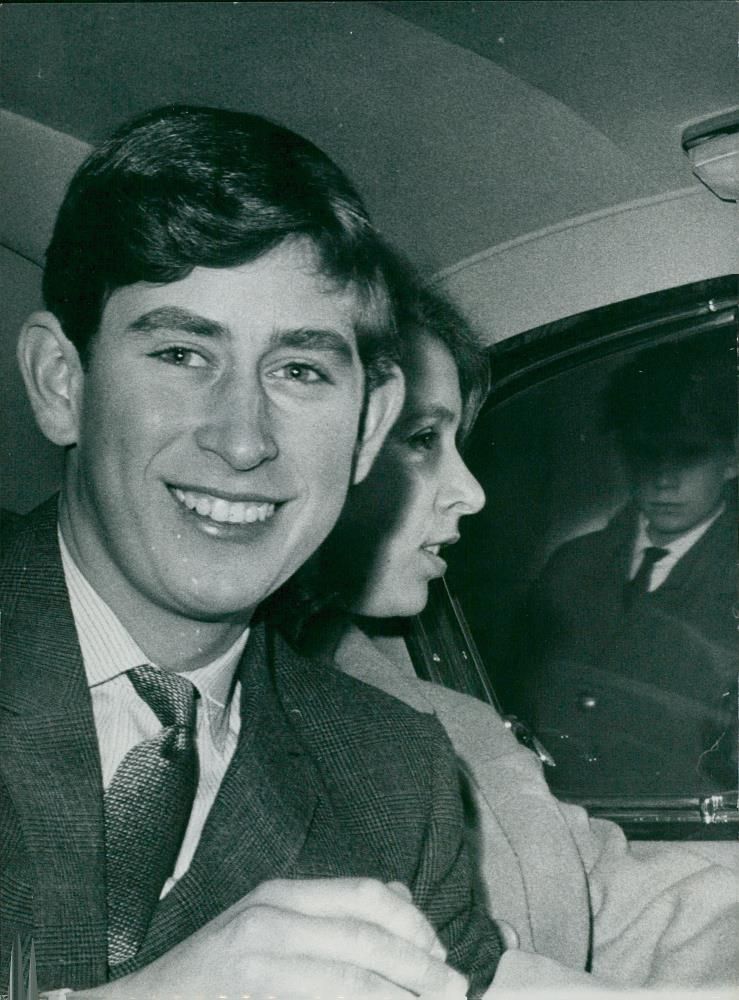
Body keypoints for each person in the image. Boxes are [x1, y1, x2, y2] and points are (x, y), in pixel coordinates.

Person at [0, 105, 504, 998]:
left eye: (300, 371)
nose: (242, 441)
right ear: (61, 383)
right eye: (183, 353)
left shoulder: (397, 778)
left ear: (365, 430)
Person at [286, 277, 738, 989]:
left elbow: (595, 888)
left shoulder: (448, 719)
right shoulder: (235, 724)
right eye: (422, 440)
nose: (471, 491)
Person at [509, 337, 737, 795]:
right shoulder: (570, 567)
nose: (662, 478)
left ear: (732, 457)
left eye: (688, 453)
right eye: (645, 453)